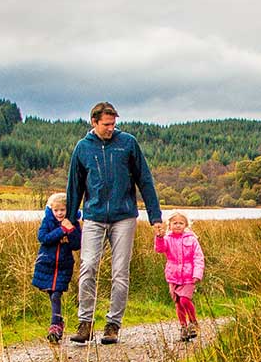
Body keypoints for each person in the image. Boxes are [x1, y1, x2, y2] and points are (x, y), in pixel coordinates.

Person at [65, 101, 163, 345]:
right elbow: (74, 186)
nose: (111, 128)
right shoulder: (83, 148)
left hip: (124, 216)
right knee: (88, 267)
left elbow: (145, 181)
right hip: (94, 216)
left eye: (113, 124)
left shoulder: (127, 143)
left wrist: (156, 217)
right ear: (94, 122)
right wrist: (69, 216)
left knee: (120, 272)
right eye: (106, 124)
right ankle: (85, 323)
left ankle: (112, 325)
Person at [31, 191, 80, 343]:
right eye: (56, 210)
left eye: (63, 210)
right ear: (51, 210)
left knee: (56, 294)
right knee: (51, 294)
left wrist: (70, 230)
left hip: (64, 266)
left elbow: (77, 244)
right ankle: (58, 322)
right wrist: (61, 231)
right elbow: (43, 238)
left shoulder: (73, 223)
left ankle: (55, 325)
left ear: (68, 209)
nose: (59, 213)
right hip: (47, 264)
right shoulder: (47, 222)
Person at [154, 211, 205, 341]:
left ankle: (193, 323)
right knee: (178, 303)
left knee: (184, 300)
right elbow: (159, 249)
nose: (178, 225)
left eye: (181, 223)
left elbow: (198, 257)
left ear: (186, 225)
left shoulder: (192, 239)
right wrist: (159, 237)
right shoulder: (167, 239)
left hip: (189, 276)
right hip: (173, 276)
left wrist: (197, 273)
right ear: (169, 225)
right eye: (175, 223)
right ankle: (183, 327)